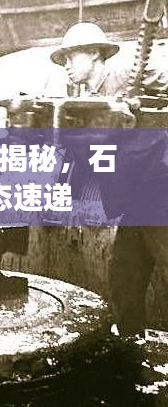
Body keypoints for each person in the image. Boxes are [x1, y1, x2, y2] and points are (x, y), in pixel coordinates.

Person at [51, 22, 168, 336]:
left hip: (159, 188)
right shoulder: (88, 101)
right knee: (125, 276)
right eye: (63, 60)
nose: (66, 66)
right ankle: (132, 341)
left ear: (94, 53)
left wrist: (139, 103)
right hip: (136, 199)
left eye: (71, 57)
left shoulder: (126, 75)